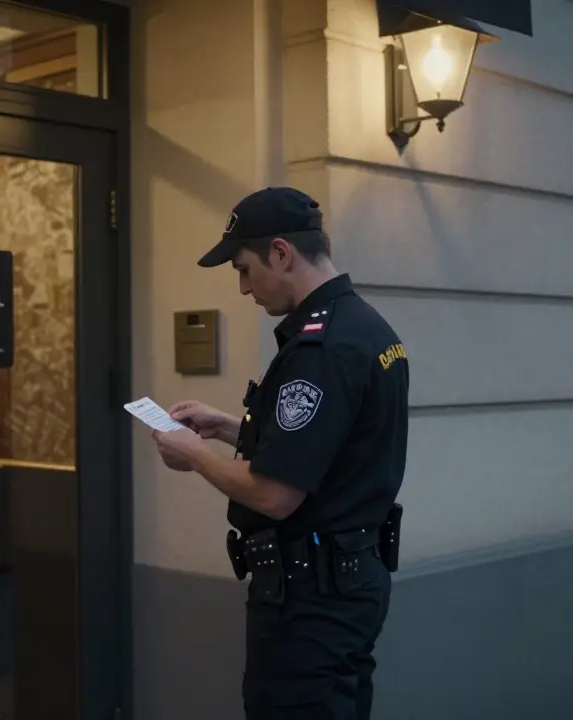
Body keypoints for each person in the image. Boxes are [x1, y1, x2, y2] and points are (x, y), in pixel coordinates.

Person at [152, 186, 409, 720]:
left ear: (281, 253)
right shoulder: (365, 328)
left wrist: (192, 455)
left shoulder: (322, 348)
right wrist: (225, 428)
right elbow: (332, 448)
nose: (244, 288)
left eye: (244, 269)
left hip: (311, 601)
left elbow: (274, 494)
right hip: (348, 580)